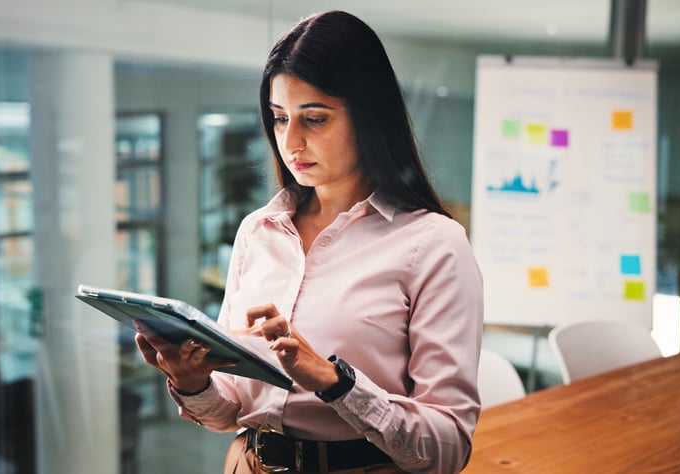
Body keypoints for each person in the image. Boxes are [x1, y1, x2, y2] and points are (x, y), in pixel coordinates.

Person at [135, 9, 483, 474]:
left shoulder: (434, 245)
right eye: (279, 119)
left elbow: (448, 448)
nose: (291, 142)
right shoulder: (258, 232)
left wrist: (335, 382)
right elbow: (232, 411)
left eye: (314, 119)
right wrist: (194, 382)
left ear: (369, 117)